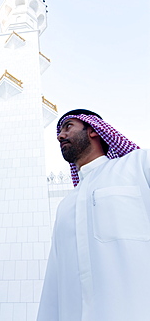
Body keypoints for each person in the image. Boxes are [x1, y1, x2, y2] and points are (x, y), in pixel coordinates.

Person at [37, 109, 150, 321]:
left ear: (93, 130)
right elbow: (53, 286)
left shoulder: (137, 166)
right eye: (59, 132)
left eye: (68, 126)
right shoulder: (65, 206)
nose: (60, 136)